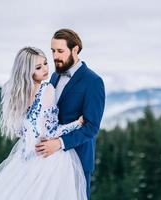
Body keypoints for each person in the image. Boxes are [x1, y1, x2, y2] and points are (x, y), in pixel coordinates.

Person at [0, 47, 87, 200]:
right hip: (48, 157)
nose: (45, 69)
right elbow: (50, 133)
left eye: (45, 63)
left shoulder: (18, 94)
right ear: (27, 71)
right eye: (38, 67)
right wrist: (77, 123)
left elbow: (21, 131)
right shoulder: (47, 89)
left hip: (24, 157)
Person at [35, 28, 106, 199]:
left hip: (78, 161)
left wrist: (59, 143)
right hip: (49, 160)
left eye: (60, 51)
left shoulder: (93, 82)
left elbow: (91, 127)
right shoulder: (53, 77)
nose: (55, 56)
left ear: (75, 50)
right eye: (53, 50)